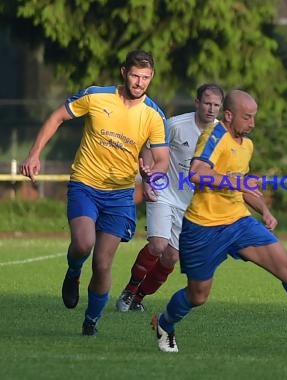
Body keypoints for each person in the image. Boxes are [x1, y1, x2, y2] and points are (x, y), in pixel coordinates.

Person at [151, 90, 287, 353]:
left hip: (239, 222)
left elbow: (242, 186)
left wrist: (264, 210)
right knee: (198, 295)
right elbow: (196, 172)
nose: (252, 123)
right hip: (202, 228)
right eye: (247, 117)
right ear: (228, 116)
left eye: (254, 117)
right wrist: (236, 181)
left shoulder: (247, 145)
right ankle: (165, 323)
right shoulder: (214, 135)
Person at [20, 50, 170, 336]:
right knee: (83, 243)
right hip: (85, 184)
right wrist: (35, 153)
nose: (140, 83)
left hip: (120, 195)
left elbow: (162, 159)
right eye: (136, 76)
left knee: (102, 263)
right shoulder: (97, 96)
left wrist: (152, 179)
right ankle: (74, 271)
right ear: (124, 72)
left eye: (146, 78)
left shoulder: (154, 115)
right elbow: (57, 117)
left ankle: (91, 322)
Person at [116, 83, 224, 312]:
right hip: (164, 193)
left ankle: (139, 297)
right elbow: (150, 148)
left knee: (171, 257)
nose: (211, 109)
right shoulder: (175, 125)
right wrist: (147, 180)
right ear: (197, 103)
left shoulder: (221, 135)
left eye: (216, 105)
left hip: (191, 206)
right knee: (157, 245)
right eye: (207, 103)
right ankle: (130, 289)